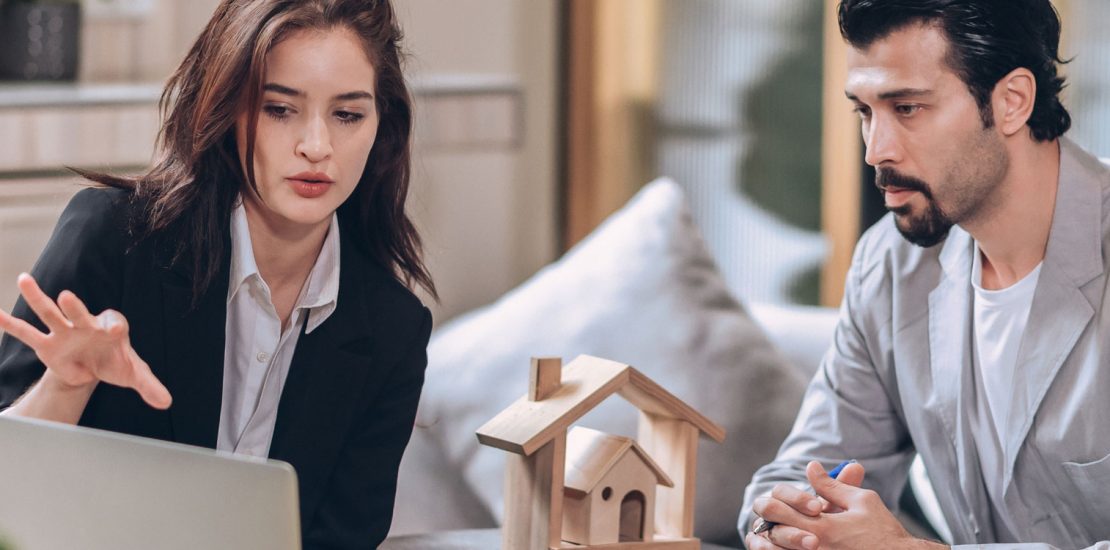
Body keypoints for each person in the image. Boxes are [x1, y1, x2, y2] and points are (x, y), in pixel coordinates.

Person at [0, 1, 434, 547]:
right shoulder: (112, 239)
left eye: (347, 115)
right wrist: (66, 386)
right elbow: (6, 497)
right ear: (230, 110)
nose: (317, 146)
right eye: (280, 109)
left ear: (381, 129)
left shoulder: (394, 329)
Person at [740, 0, 1110, 549]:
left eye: (907, 108)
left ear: (1012, 102)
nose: (875, 151)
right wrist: (783, 527)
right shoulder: (889, 266)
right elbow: (803, 471)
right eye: (864, 112)